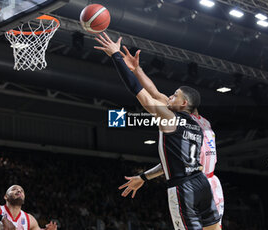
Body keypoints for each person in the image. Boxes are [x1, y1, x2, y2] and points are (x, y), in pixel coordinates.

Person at [94, 33, 221, 230]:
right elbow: (155, 93)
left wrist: (115, 56)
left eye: (174, 95)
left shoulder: (169, 118)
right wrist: (137, 69)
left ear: (183, 103)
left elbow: (139, 92)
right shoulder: (197, 124)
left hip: (183, 187)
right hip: (201, 183)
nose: (169, 96)